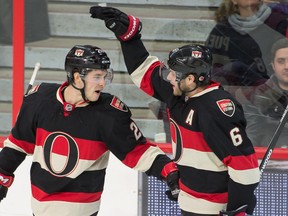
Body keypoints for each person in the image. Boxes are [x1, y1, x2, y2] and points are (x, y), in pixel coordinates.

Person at [90, 6, 261, 216]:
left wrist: (238, 209)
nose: (169, 77)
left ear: (191, 78)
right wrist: (129, 37)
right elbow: (144, 72)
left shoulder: (216, 108)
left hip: (214, 210)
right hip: (189, 202)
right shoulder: (179, 93)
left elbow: (245, 168)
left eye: (174, 73)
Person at [0, 45, 179, 216]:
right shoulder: (39, 100)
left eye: (105, 76)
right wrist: (2, 173)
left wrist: (169, 170)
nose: (102, 83)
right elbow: (19, 144)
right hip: (40, 207)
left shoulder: (109, 113)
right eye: (97, 77)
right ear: (77, 78)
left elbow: (138, 151)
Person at [205, 0, 288, 86]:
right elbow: (211, 61)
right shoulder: (222, 28)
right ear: (234, 1)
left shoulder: (278, 22)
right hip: (231, 88)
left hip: (269, 87)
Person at [235, 38, 288, 147]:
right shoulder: (257, 97)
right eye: (281, 61)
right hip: (270, 161)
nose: (287, 67)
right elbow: (251, 136)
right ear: (273, 65)